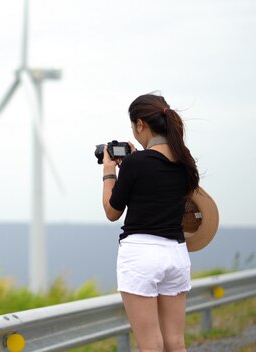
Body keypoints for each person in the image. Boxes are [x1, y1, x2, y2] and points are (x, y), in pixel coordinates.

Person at [101, 93, 199, 352]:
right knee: (175, 342)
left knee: (150, 344)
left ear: (141, 124)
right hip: (176, 255)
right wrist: (134, 161)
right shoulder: (185, 162)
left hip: (142, 255)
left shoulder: (136, 163)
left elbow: (112, 211)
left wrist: (109, 172)